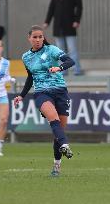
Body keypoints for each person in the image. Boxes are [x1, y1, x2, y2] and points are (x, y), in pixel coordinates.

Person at [13, 25, 74, 177]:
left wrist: (59, 68)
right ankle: (65, 144)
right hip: (41, 93)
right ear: (29, 38)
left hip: (60, 91)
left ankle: (57, 165)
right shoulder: (26, 57)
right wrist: (22, 95)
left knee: (59, 131)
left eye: (40, 37)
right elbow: (30, 78)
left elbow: (70, 61)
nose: (38, 39)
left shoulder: (51, 49)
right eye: (35, 37)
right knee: (53, 118)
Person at [43, 0, 83, 76]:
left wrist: (77, 20)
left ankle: (76, 69)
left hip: (70, 26)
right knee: (60, 51)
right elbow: (51, 9)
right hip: (58, 27)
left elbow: (79, 7)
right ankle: (63, 70)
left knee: (72, 50)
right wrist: (47, 22)